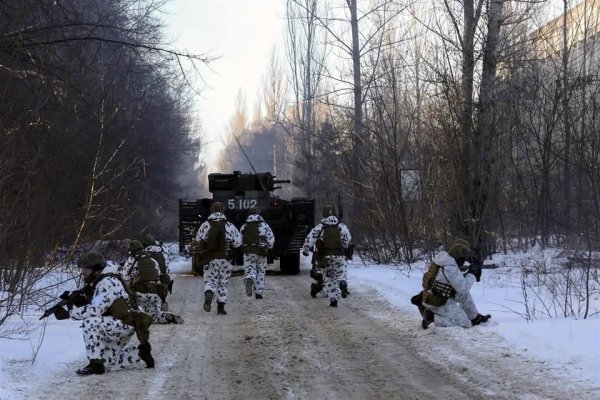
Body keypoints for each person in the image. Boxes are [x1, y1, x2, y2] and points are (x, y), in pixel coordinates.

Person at [56, 251, 155, 375]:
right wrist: (78, 300)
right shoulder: (105, 279)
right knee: (108, 363)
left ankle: (95, 365)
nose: (83, 274)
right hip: (123, 322)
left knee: (90, 323)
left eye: (85, 270)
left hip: (123, 324)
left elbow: (96, 310)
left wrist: (69, 314)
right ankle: (140, 353)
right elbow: (99, 303)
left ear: (95, 268)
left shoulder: (107, 282)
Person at [420, 239, 490, 328]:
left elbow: (455, 282)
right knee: (464, 323)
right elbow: (463, 288)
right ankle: (432, 317)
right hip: (436, 302)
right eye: (463, 257)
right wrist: (472, 274)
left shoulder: (443, 260)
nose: (464, 260)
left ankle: (474, 317)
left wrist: (467, 272)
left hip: (437, 295)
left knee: (463, 295)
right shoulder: (449, 267)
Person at [195, 201, 242, 315]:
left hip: (210, 259)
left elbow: (198, 239)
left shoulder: (206, 225)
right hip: (225, 259)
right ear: (222, 211)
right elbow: (238, 242)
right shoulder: (229, 225)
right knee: (223, 282)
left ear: (211, 211)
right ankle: (221, 307)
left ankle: (209, 292)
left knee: (210, 280)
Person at [302, 205, 352, 307]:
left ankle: (333, 300)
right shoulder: (341, 226)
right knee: (341, 274)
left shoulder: (321, 226)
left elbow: (310, 238)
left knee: (329, 278)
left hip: (326, 257)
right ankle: (342, 283)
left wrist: (305, 250)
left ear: (324, 213)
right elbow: (347, 241)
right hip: (340, 256)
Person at [125, 240, 184, 324]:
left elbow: (124, 279)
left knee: (133, 313)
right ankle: (167, 316)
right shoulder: (152, 260)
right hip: (155, 294)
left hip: (138, 295)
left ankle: (139, 316)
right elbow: (159, 275)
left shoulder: (130, 261)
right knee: (155, 314)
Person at [240, 207, 275, 299]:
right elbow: (271, 240)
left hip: (248, 251)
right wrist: (268, 247)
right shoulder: (265, 226)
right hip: (261, 251)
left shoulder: (244, 226)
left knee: (249, 268)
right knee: (261, 271)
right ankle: (258, 292)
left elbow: (239, 239)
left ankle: (249, 278)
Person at [141, 232, 174, 309]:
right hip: (160, 277)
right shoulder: (162, 251)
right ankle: (163, 299)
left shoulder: (144, 253)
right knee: (165, 279)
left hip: (147, 278)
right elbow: (166, 266)